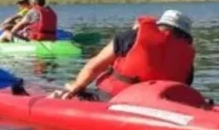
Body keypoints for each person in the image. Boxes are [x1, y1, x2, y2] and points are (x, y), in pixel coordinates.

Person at [53, 10, 195, 101]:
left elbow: (95, 66)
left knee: (75, 92)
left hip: (112, 98)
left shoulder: (132, 36)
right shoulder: (187, 57)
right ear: (186, 36)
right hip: (157, 106)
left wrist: (77, 86)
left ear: (160, 25)